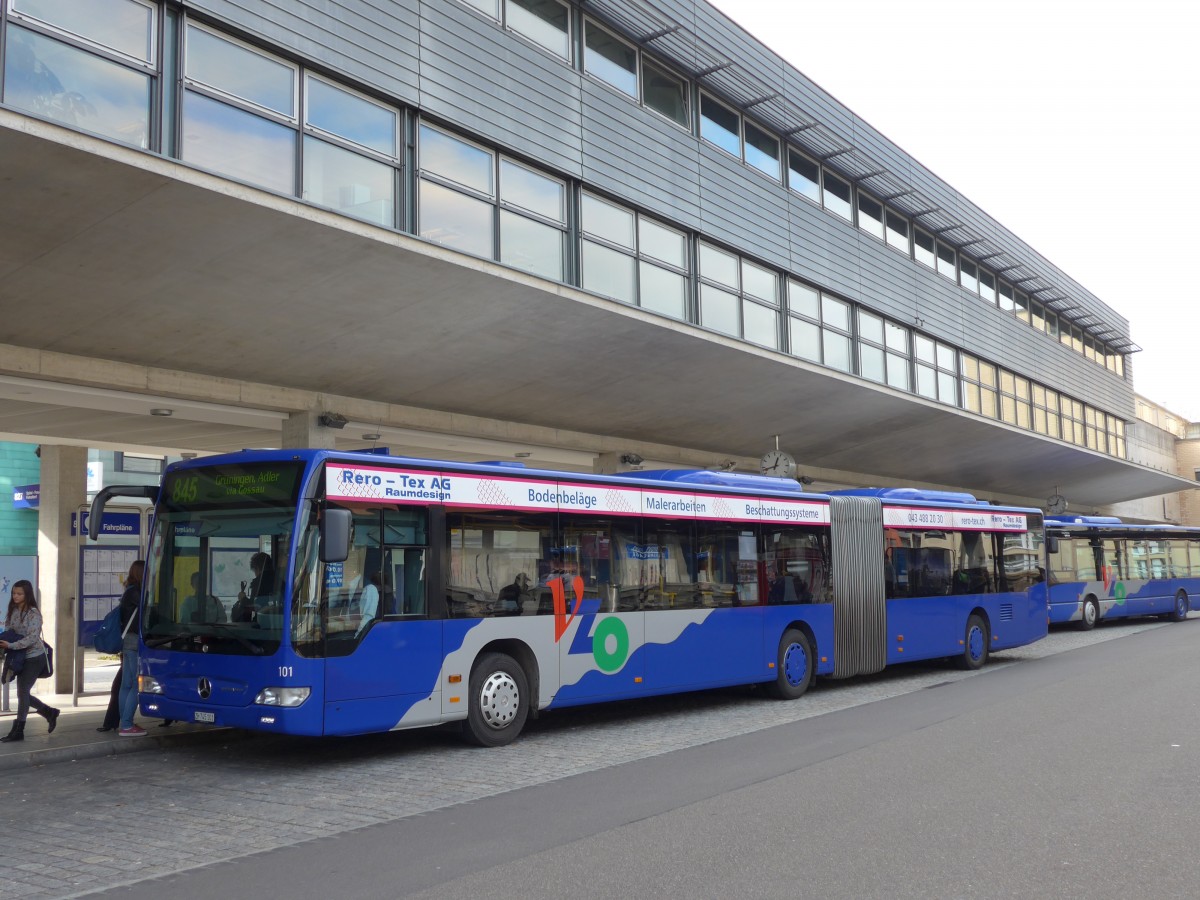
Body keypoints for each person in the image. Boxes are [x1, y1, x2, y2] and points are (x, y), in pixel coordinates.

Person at [0, 579, 60, 742]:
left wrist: (11, 645)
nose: (15, 596)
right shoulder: (12, 610)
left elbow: (33, 638)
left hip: (34, 657)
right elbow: (9, 629)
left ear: (27, 595)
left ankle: (19, 730)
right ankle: (49, 712)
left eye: (19, 594)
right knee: (23, 693)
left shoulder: (34, 614)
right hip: (19, 656)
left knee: (22, 691)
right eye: (14, 593)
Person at [116, 560, 146, 737]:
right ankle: (126, 725)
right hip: (135, 641)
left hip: (127, 640)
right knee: (136, 684)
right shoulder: (137, 593)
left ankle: (124, 722)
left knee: (126, 684)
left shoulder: (129, 591)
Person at [232, 552, 273, 623]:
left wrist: (243, 599)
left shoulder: (259, 583)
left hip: (261, 623)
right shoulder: (279, 581)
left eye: (254, 571)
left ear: (257, 568)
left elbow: (255, 606)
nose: (255, 574)